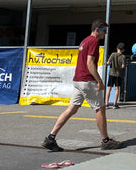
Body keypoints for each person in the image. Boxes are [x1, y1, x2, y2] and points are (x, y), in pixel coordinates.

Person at [42, 19, 123, 152]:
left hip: (78, 80)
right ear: (97, 30)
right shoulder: (93, 42)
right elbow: (90, 63)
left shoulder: (84, 41)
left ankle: (51, 137)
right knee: (100, 109)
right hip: (87, 80)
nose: (105, 33)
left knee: (71, 109)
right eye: (104, 31)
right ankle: (106, 140)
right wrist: (99, 81)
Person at [106, 42, 126, 109]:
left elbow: (108, 62)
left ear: (117, 48)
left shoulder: (113, 54)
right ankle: (115, 104)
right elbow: (123, 66)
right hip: (118, 74)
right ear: (123, 50)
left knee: (109, 88)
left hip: (111, 73)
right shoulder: (123, 57)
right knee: (117, 89)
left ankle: (106, 104)